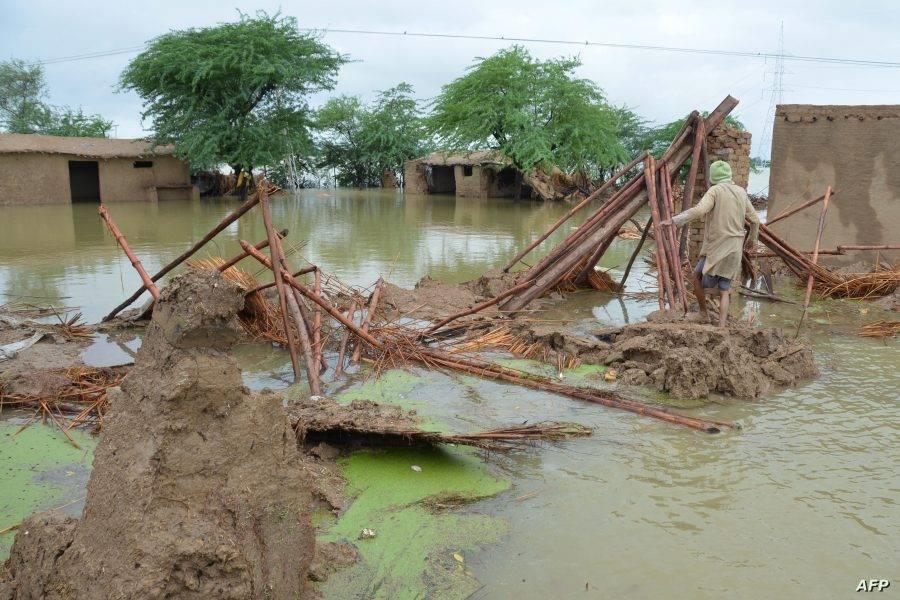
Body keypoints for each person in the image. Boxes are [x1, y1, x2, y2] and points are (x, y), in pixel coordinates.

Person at [661, 160, 759, 327]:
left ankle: (703, 313)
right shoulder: (741, 192)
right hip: (735, 248)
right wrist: (751, 240)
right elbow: (756, 220)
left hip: (717, 247)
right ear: (729, 175)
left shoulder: (715, 190)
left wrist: (674, 220)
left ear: (713, 176)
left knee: (697, 277)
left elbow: (699, 210)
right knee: (725, 289)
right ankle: (721, 326)